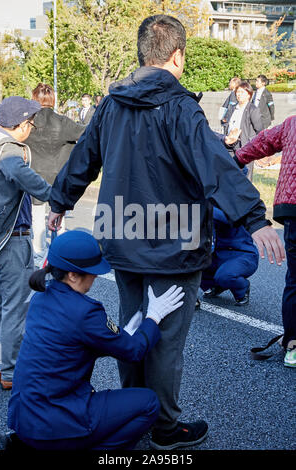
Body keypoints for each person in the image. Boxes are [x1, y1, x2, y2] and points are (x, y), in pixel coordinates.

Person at [47, 15, 285, 450]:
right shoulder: (180, 108)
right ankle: (165, 427)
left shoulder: (112, 103)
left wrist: (60, 201)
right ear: (177, 56)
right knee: (167, 342)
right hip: (176, 246)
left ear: (143, 54)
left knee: (133, 327)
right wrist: (255, 218)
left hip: (121, 237)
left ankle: (134, 416)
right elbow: (215, 163)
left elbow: (84, 156)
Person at [5, 230, 185, 450]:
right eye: (91, 271)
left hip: (24, 419)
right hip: (54, 422)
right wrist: (153, 317)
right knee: (148, 403)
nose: (96, 275)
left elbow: (72, 345)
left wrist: (121, 334)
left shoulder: (40, 297)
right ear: (72, 275)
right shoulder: (85, 311)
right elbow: (134, 351)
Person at [0, 96, 51, 390]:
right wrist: (54, 195)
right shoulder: (8, 149)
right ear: (18, 125)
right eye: (29, 122)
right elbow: (20, 174)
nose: (31, 127)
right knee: (15, 307)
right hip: (11, 238)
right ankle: (10, 371)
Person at [234, 115, 296, 367]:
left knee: (295, 280)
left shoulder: (292, 123)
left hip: (292, 208)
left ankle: (293, 342)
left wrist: (237, 158)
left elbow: (264, 141)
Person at [25, 83, 86, 268]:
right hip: (59, 177)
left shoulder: (29, 123)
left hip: (34, 175)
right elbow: (85, 131)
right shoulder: (62, 122)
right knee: (60, 215)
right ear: (52, 99)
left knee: (37, 216)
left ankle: (38, 254)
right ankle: (62, 253)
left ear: (35, 99)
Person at [200, 207, 259, 306]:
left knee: (225, 276)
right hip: (220, 254)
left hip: (242, 254)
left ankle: (242, 288)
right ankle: (216, 285)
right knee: (194, 264)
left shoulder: (224, 206)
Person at [222, 80, 264, 180]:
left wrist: (254, 146)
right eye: (238, 92)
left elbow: (259, 129)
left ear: (249, 95)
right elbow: (226, 122)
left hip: (245, 144)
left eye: (242, 92)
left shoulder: (253, 109)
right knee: (230, 170)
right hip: (230, 144)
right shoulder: (232, 108)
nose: (239, 95)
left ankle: (246, 194)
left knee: (245, 173)